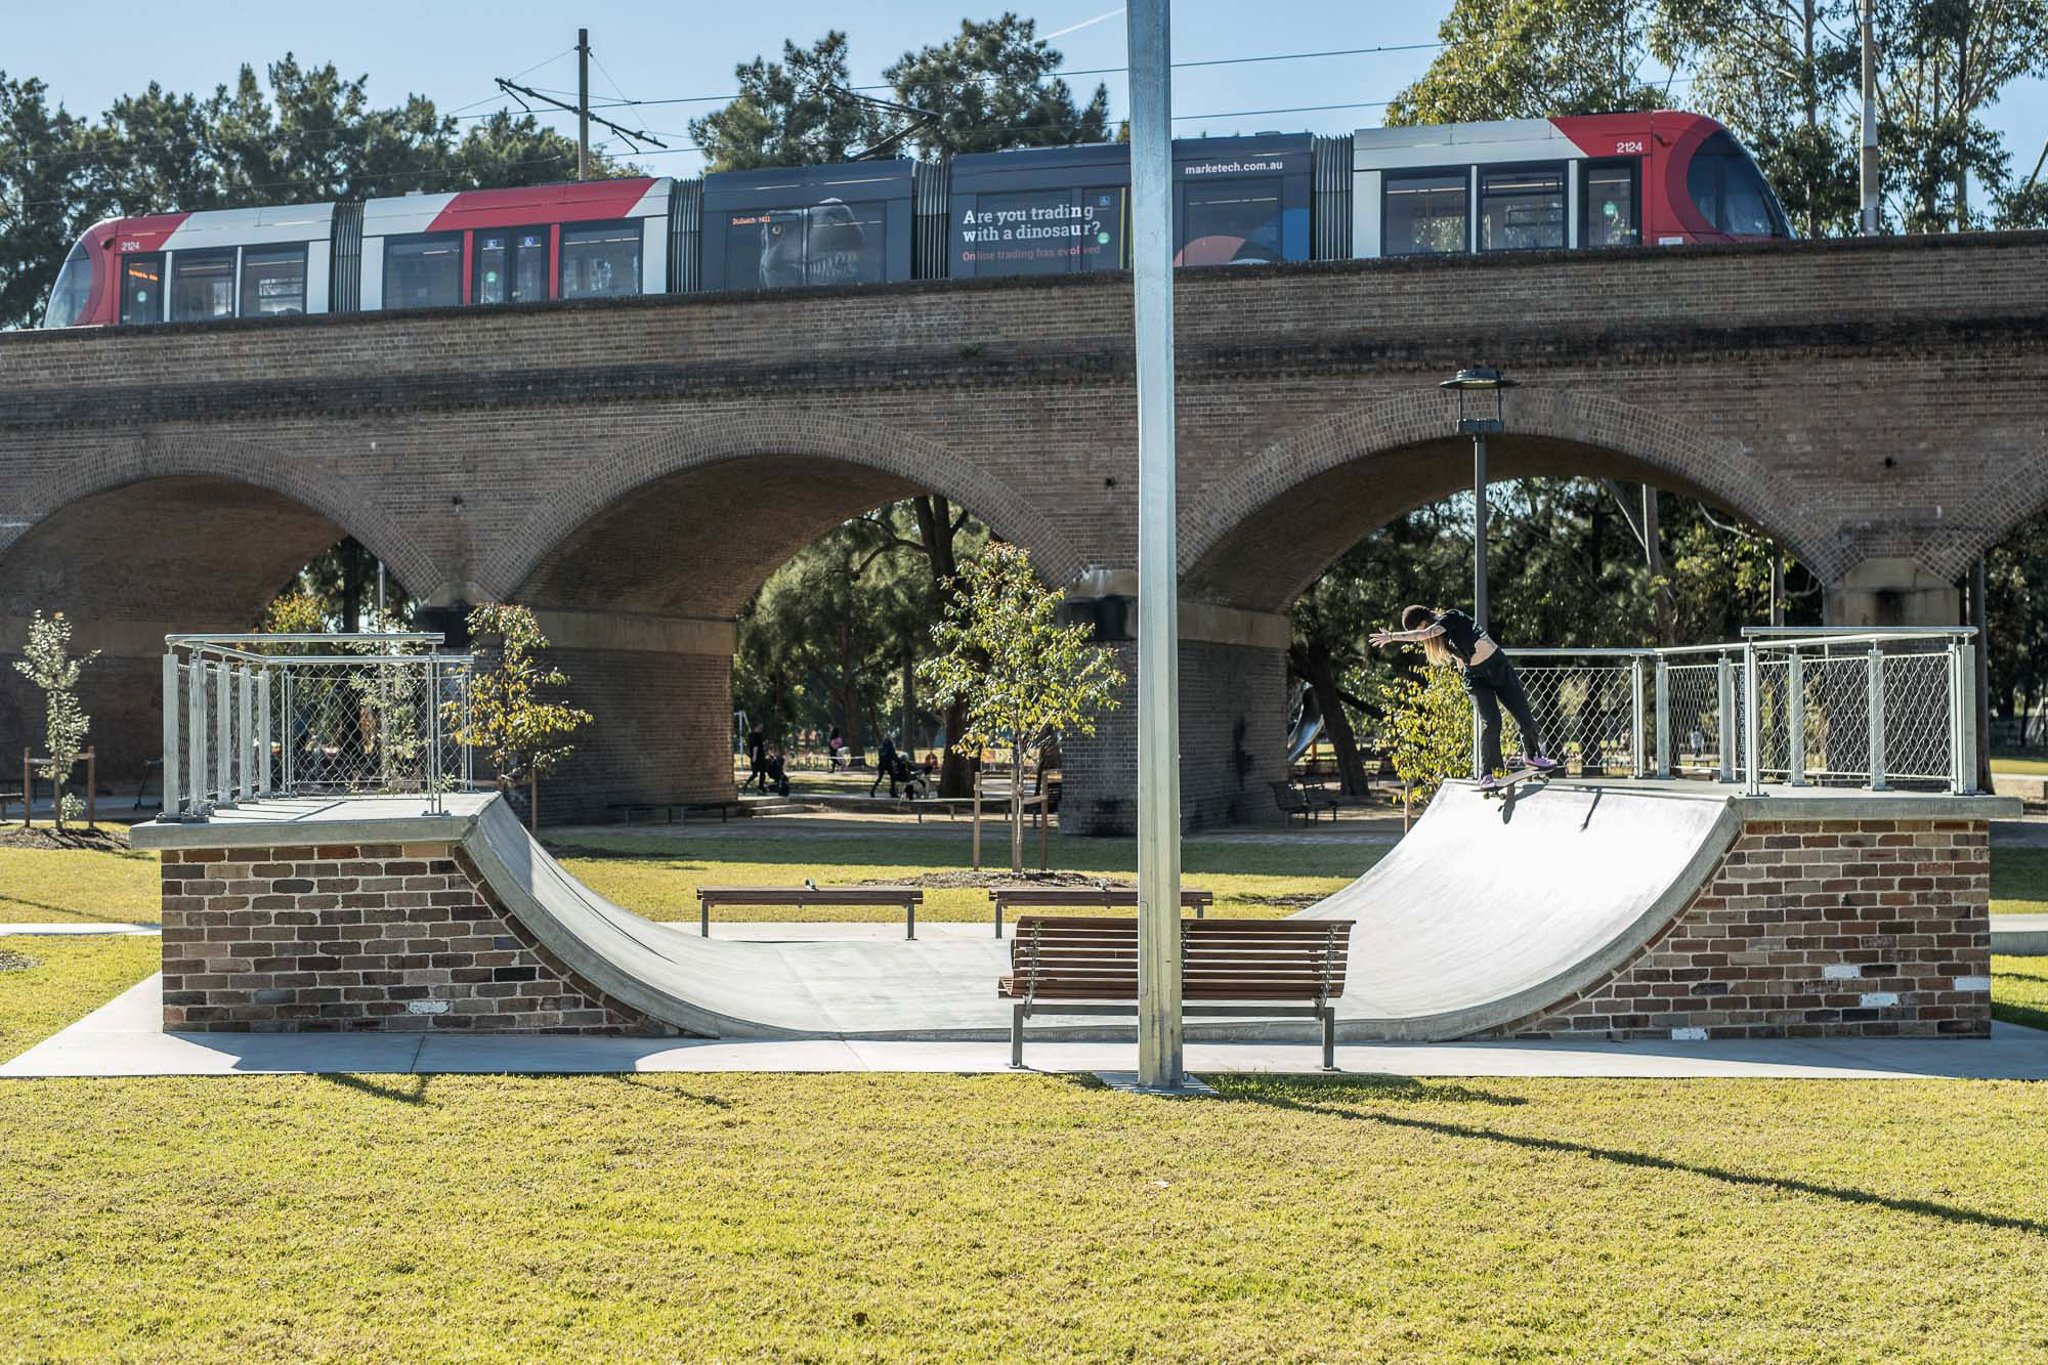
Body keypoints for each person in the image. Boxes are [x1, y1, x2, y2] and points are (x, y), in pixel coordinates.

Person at [1368, 604, 1559, 790]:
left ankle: (1532, 755)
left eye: (1418, 630)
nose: (1422, 635)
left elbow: (1425, 634)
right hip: (1476, 678)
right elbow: (1460, 658)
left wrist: (1392, 636)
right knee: (1491, 723)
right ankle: (1486, 774)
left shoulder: (1452, 617)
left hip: (1499, 668)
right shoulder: (1444, 638)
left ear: (1422, 622)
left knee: (1525, 718)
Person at [870, 733, 899, 797]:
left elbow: (880, 755)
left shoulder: (881, 746)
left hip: (881, 764)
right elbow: (893, 756)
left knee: (879, 778)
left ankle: (872, 790)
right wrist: (898, 761)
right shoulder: (890, 746)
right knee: (892, 778)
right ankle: (892, 792)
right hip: (888, 764)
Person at [744, 721, 768, 793]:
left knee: (756, 773)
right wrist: (754, 756)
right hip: (759, 757)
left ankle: (749, 785)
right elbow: (755, 747)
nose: (761, 728)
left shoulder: (751, 735)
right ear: (756, 727)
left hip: (757, 756)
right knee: (761, 773)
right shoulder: (757, 735)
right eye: (760, 727)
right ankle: (760, 787)